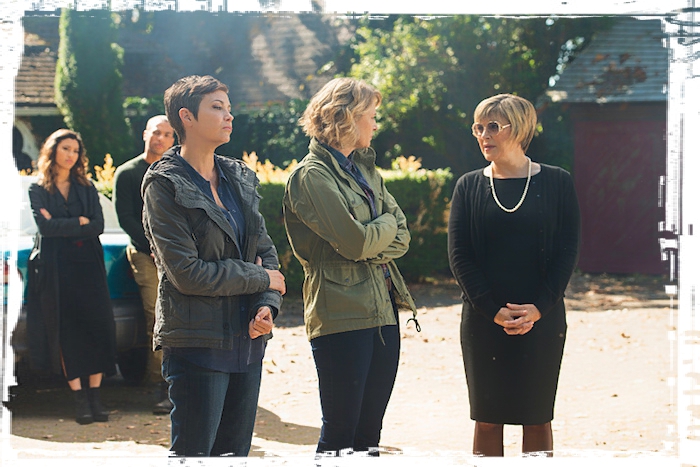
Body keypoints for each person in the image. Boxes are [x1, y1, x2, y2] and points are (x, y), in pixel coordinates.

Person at [141, 75, 285, 457]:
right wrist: (260, 278)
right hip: (197, 345)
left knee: (234, 456)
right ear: (186, 117)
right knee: (195, 455)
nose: (228, 116)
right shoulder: (164, 184)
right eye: (217, 108)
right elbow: (188, 274)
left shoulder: (239, 176)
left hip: (247, 341)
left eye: (228, 108)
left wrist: (266, 305)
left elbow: (266, 252)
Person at [283, 77, 418, 457]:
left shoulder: (364, 168)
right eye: (371, 115)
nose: (376, 124)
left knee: (369, 435)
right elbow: (357, 243)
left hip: (384, 310)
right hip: (340, 315)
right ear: (347, 117)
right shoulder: (311, 176)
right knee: (340, 435)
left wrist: (373, 236)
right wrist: (382, 229)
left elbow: (403, 237)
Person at [447, 94, 581, 457]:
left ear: (520, 129)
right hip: (483, 319)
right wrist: (492, 310)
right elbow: (460, 257)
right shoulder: (468, 186)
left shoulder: (558, 182)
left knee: (537, 418)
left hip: (542, 318)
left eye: (493, 126)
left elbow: (567, 251)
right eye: (478, 127)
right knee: (487, 419)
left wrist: (539, 307)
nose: (484, 135)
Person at [26, 129, 117, 425]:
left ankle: (95, 397)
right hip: (56, 269)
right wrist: (78, 222)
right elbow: (45, 229)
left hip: (88, 266)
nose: (71, 155)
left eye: (75, 151)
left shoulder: (87, 187)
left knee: (96, 327)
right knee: (67, 332)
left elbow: (97, 225)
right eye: (65, 148)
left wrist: (62, 224)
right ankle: (80, 400)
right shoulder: (38, 189)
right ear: (53, 150)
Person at [113, 115, 175, 413]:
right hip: (144, 253)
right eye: (156, 132)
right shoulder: (127, 173)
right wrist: (153, 247)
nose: (160, 138)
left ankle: (184, 380)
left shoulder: (177, 171)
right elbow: (126, 218)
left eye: (167, 134)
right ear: (145, 134)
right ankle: (161, 385)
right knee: (157, 313)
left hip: (176, 255)